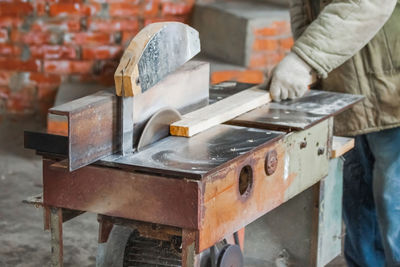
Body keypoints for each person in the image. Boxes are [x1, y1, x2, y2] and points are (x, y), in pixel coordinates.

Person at [268, 0, 400, 266]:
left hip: (392, 92)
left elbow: (367, 4)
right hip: (349, 96)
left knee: (392, 207)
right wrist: (309, 68)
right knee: (359, 208)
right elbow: (302, 6)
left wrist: (303, 59)